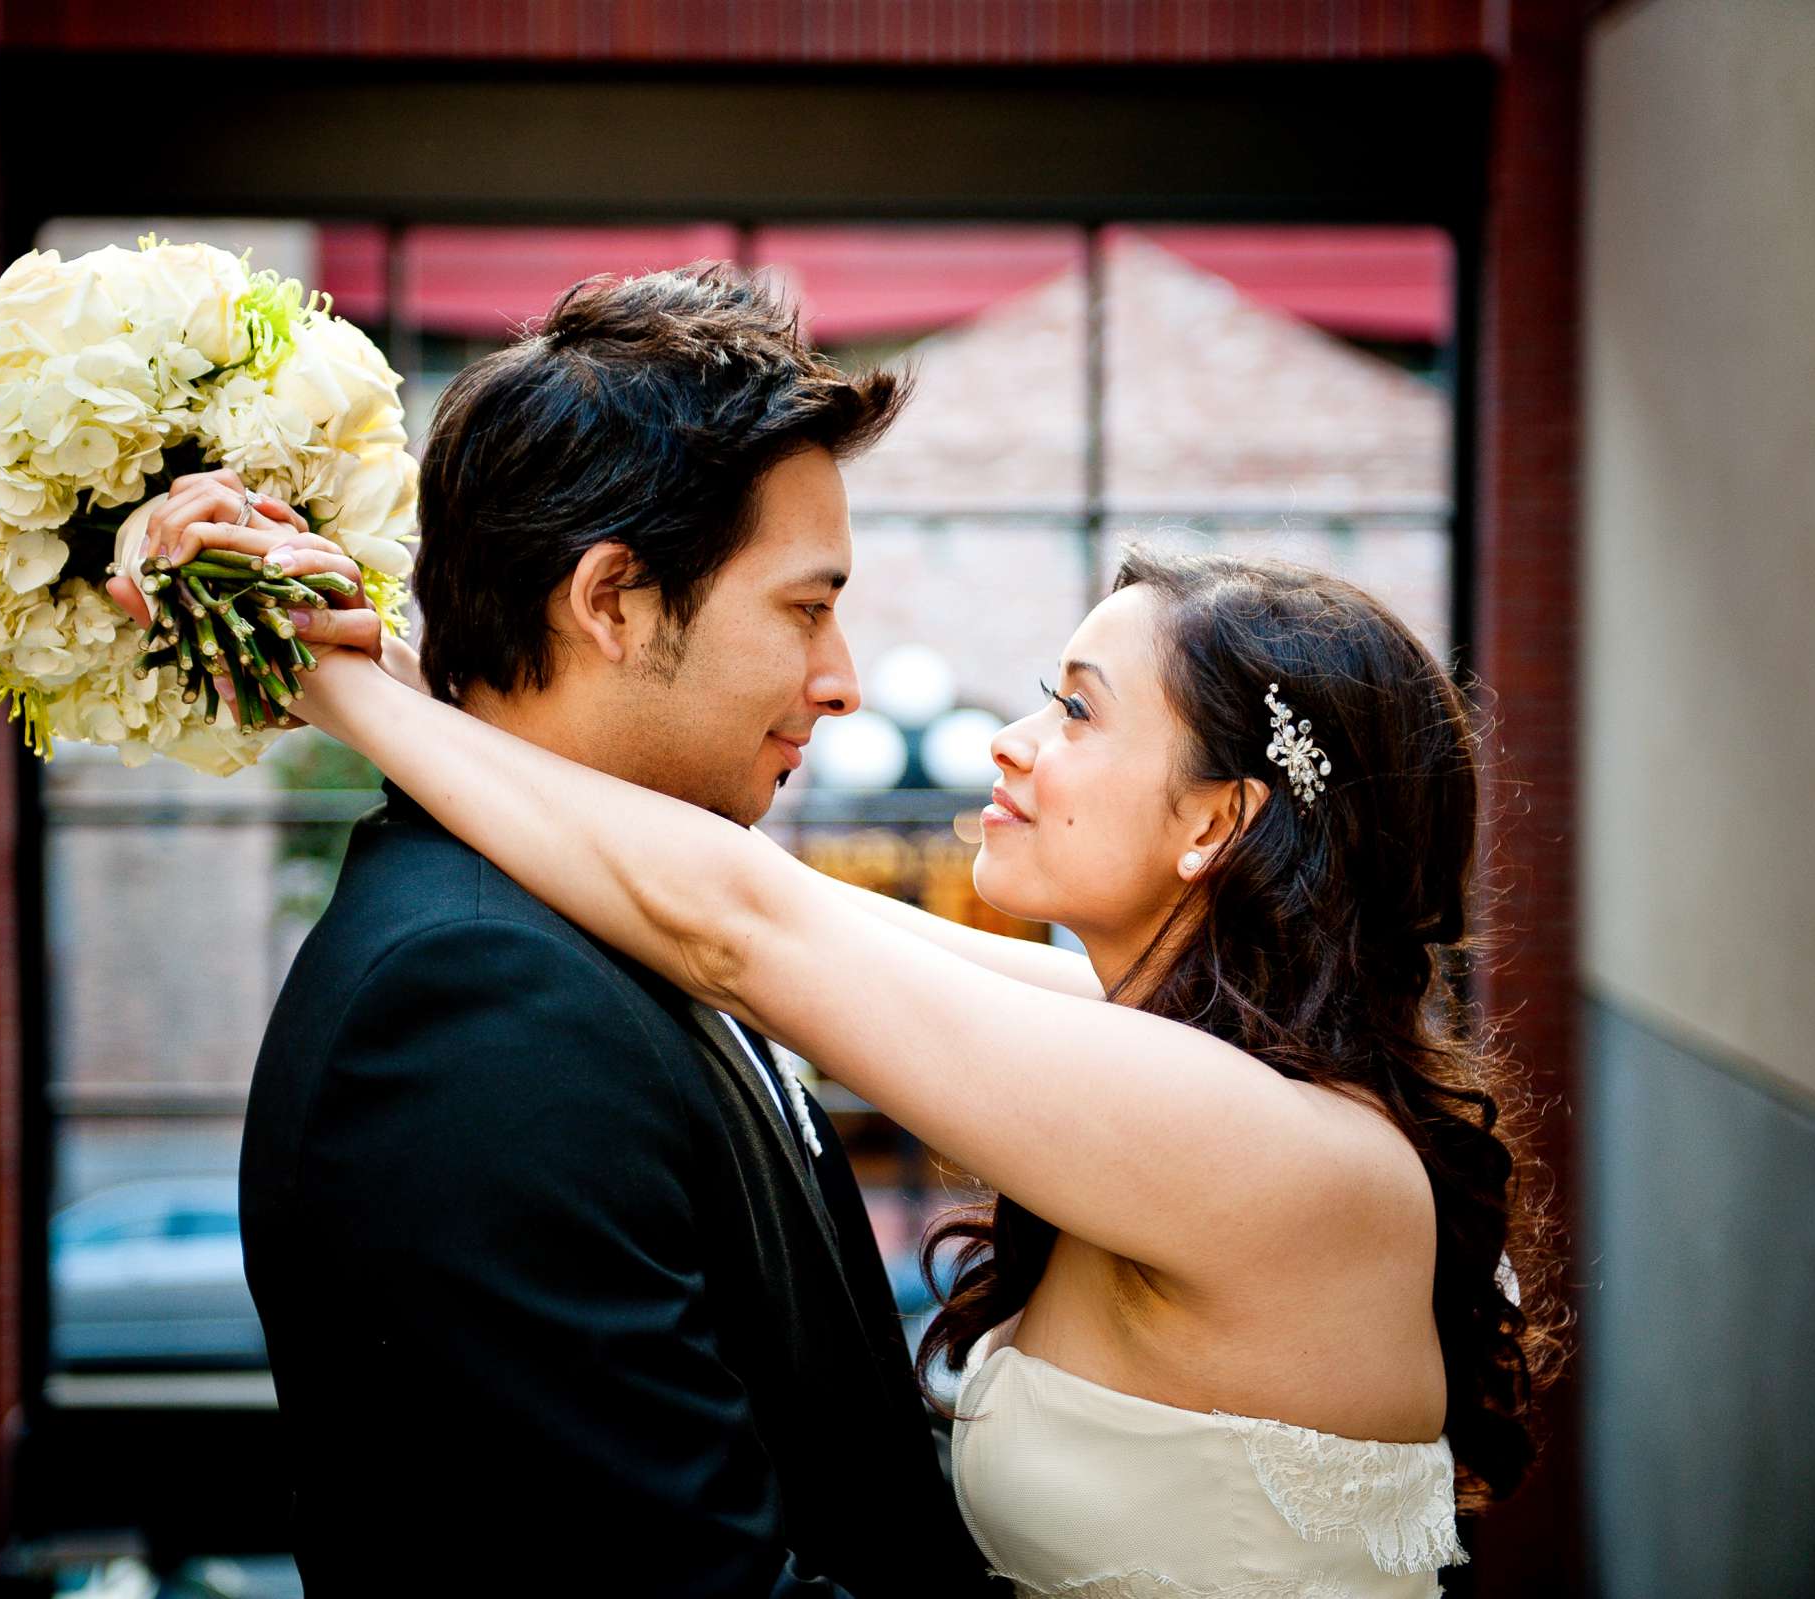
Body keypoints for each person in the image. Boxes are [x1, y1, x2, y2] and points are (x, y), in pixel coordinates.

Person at [161, 519, 1570, 1596]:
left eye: (1076, 711)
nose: (1009, 746)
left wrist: (333, 692)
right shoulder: (1156, 1044)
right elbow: (773, 909)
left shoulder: (1270, 1147)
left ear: (1215, 821)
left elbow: (740, 925)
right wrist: (401, 674)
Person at [106, 266, 1002, 1595]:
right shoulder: (475, 1005)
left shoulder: (615, 916)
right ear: (615, 602)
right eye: (807, 608)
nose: (845, 683)